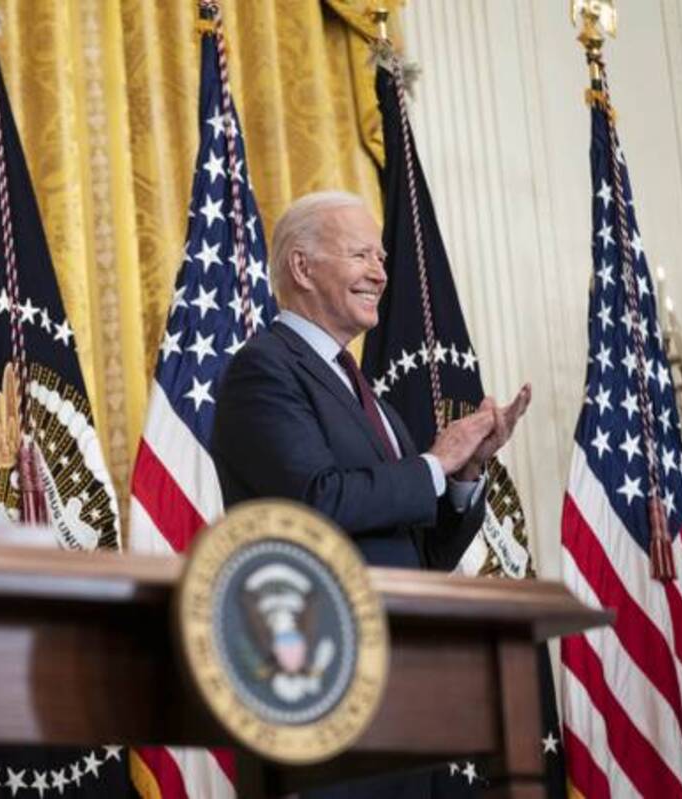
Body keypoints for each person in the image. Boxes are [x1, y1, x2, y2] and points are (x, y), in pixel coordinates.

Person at [210, 190, 531, 797]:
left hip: (401, 681)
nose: (381, 274)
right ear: (303, 268)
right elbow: (318, 503)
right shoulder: (264, 370)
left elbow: (417, 549)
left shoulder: (368, 396)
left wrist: (463, 475)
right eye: (361, 255)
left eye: (381, 257)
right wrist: (435, 462)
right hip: (324, 683)